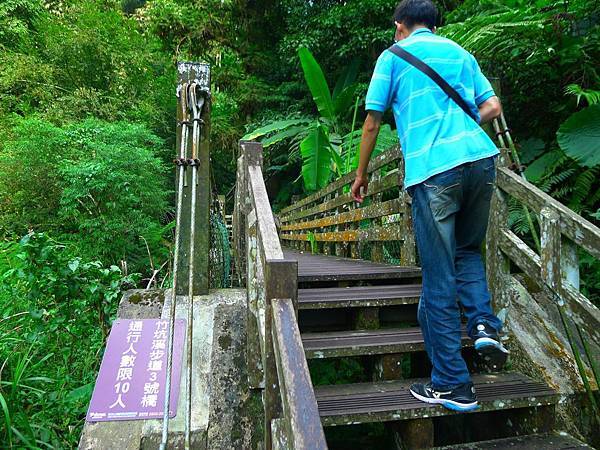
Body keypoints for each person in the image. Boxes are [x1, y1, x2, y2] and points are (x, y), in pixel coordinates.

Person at [351, 0, 508, 412]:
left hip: (434, 172)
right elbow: (492, 106)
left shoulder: (392, 57)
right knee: (468, 252)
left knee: (438, 277)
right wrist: (461, 123)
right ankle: (483, 326)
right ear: (434, 24)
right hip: (481, 160)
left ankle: (453, 385)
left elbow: (372, 121)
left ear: (399, 25)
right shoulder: (459, 52)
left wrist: (361, 174)